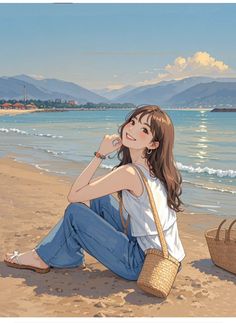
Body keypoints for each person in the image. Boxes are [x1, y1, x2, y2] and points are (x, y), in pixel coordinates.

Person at [4, 104, 185, 281]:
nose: (132, 129)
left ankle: (41, 257)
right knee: (99, 199)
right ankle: (66, 254)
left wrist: (100, 154)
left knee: (75, 212)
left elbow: (74, 195)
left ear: (153, 144)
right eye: (133, 122)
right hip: (167, 259)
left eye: (144, 130)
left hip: (143, 265)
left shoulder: (130, 173)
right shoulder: (154, 168)